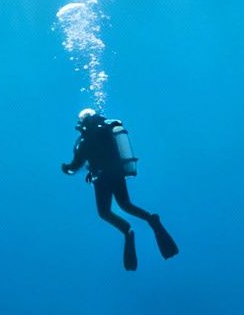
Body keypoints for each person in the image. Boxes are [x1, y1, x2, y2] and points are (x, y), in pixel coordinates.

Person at [61, 108, 178, 270]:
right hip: (117, 174)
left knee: (104, 212)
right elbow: (102, 155)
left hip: (102, 179)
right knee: (125, 205)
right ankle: (152, 219)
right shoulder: (107, 131)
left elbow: (75, 166)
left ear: (84, 122)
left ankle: (127, 231)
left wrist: (66, 169)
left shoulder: (86, 140)